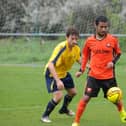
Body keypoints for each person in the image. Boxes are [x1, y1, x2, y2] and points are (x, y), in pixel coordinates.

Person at [72, 15, 126, 126]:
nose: (104, 29)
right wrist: (81, 70)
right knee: (86, 98)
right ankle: (76, 122)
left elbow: (119, 53)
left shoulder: (112, 39)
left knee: (116, 98)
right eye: (101, 27)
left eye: (106, 27)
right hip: (93, 76)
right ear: (95, 26)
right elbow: (85, 56)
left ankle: (123, 116)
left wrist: (113, 62)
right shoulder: (89, 41)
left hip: (109, 76)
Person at [41, 27, 81, 123]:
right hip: (52, 74)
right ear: (67, 37)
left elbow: (79, 59)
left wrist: (88, 67)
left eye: (76, 39)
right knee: (58, 96)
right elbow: (50, 65)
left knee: (73, 92)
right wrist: (58, 81)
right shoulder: (61, 47)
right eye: (72, 38)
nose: (74, 41)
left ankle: (64, 109)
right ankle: (44, 116)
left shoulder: (76, 48)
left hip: (64, 73)